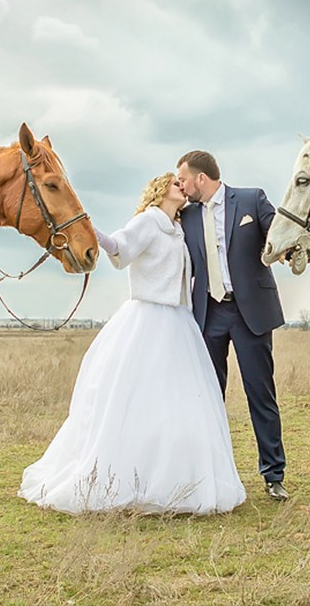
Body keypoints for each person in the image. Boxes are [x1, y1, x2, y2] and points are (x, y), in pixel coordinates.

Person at [19, 172, 247, 515]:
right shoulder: (149, 221)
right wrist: (87, 231)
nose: (181, 188)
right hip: (148, 319)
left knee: (178, 404)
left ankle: (176, 481)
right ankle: (124, 481)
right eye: (175, 184)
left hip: (179, 322)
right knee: (137, 401)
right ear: (159, 192)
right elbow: (119, 247)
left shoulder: (180, 229)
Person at [175, 150, 289, 501]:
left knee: (261, 395)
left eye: (182, 179)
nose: (179, 185)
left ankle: (273, 474)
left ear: (201, 179)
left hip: (250, 312)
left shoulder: (252, 199)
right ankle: (211, 473)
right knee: (208, 396)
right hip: (209, 314)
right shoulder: (187, 216)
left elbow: (279, 232)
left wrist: (295, 249)